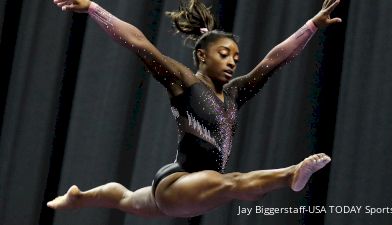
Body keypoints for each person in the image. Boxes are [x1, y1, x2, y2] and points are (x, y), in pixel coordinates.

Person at [47, 0, 342, 219]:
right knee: (236, 183)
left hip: (190, 188)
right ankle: (290, 174)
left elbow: (274, 60)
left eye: (235, 58)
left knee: (125, 199)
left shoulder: (234, 93)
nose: (231, 63)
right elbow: (139, 43)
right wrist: (93, 8)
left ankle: (80, 197)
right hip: (178, 184)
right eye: (223, 54)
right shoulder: (184, 83)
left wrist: (311, 26)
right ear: (202, 55)